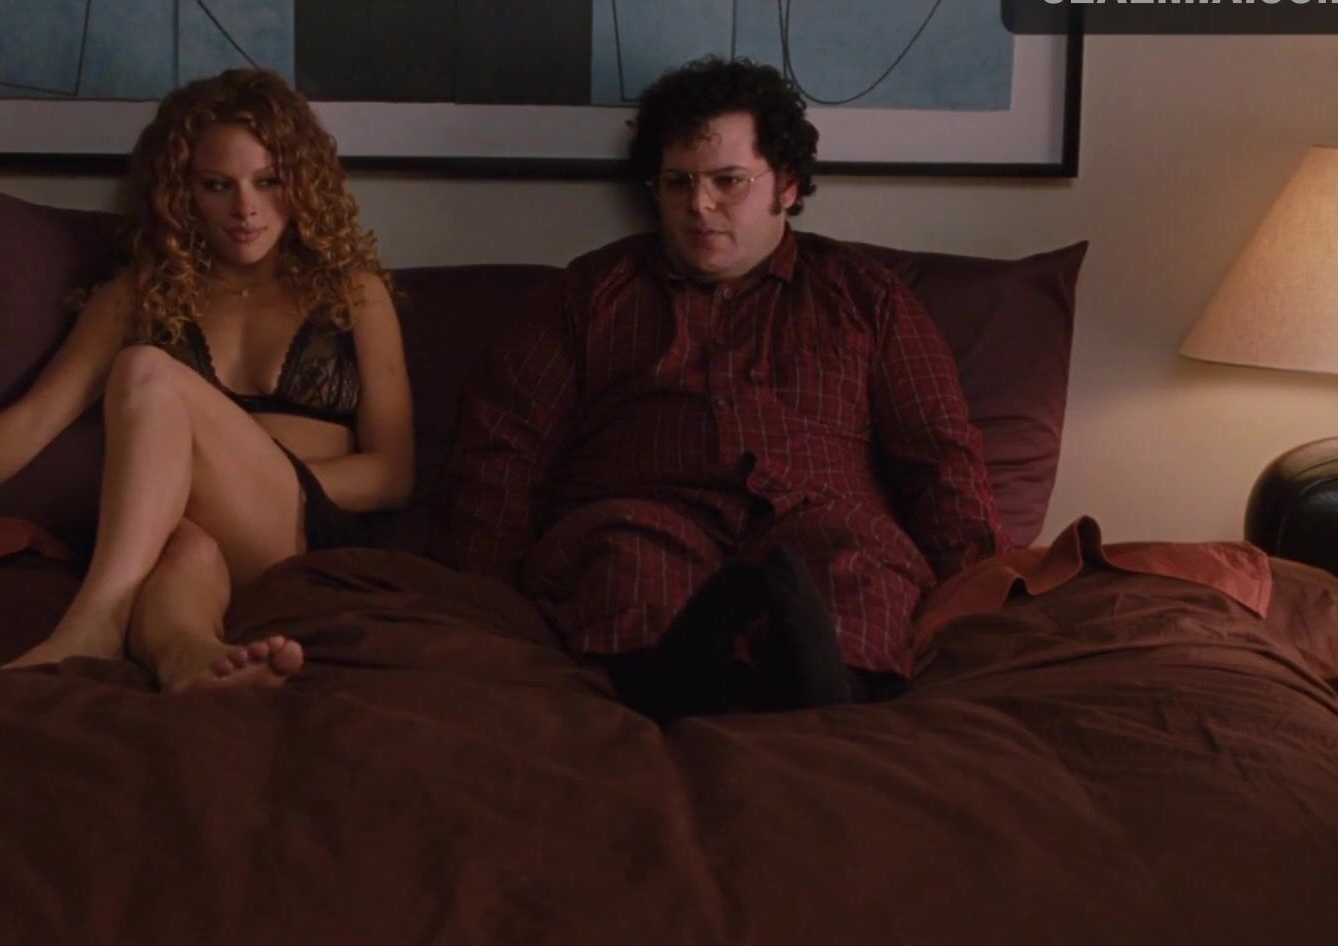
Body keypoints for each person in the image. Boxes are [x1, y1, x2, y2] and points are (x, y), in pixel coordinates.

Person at [430, 57, 1005, 719]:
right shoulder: (586, 297)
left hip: (821, 523)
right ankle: (685, 694)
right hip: (643, 518)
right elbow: (502, 453)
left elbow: (941, 456)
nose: (699, 206)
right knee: (626, 562)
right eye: (678, 183)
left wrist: (979, 604)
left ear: (787, 184)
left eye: (728, 181)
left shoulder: (867, 297)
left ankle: (823, 699)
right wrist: (481, 610)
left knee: (854, 567)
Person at [0, 69, 414, 691]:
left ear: (303, 181)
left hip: (300, 524)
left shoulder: (352, 292)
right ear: (182, 192)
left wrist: (224, 473)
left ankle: (92, 624)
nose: (246, 208)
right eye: (217, 185)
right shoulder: (138, 296)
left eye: (268, 181)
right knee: (182, 547)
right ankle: (191, 658)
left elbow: (391, 474)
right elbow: (36, 417)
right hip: (191, 529)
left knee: (144, 368)